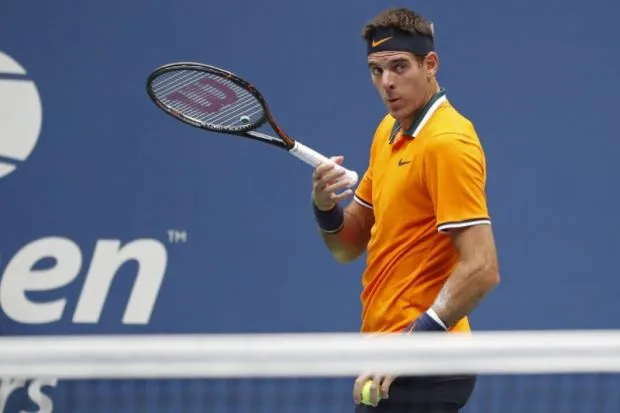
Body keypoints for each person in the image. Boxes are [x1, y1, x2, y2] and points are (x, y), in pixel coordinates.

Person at [310, 7, 501, 413]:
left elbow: (482, 268)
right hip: (390, 354)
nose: (387, 83)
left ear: (430, 64)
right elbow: (348, 245)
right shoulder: (388, 130)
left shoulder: (448, 142)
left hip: (429, 361)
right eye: (376, 71)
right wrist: (325, 207)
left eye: (399, 67)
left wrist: (409, 346)